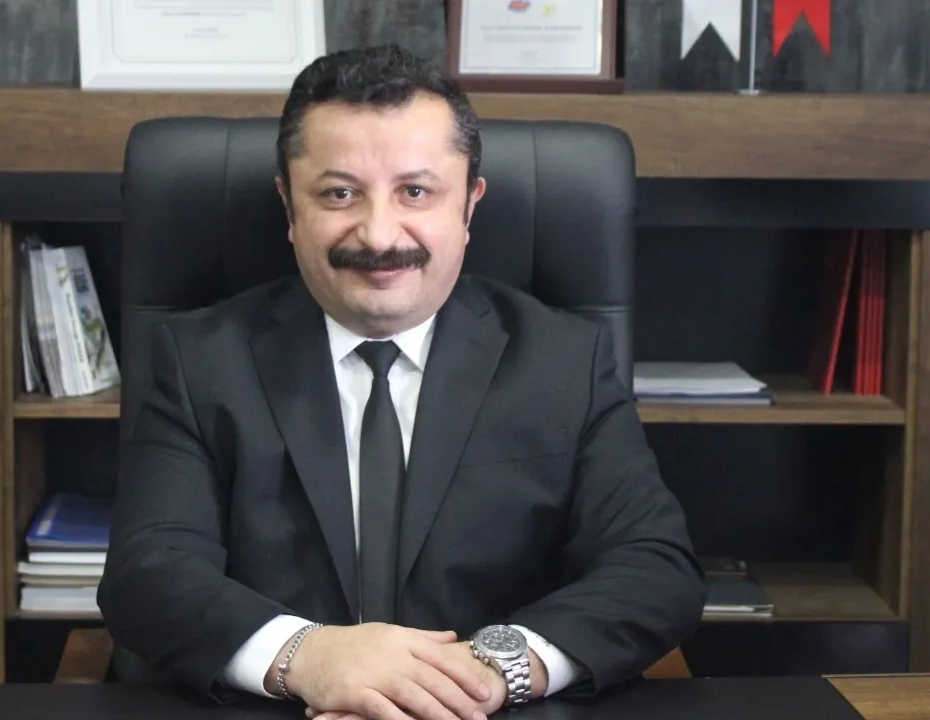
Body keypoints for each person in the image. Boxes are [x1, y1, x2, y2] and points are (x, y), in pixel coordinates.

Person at [98, 43, 705, 720]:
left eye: (415, 192)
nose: (380, 235)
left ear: (469, 205)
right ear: (289, 207)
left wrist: (488, 671)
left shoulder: (565, 361)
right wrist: (309, 657)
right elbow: (148, 575)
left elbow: (655, 569)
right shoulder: (199, 361)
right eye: (339, 193)